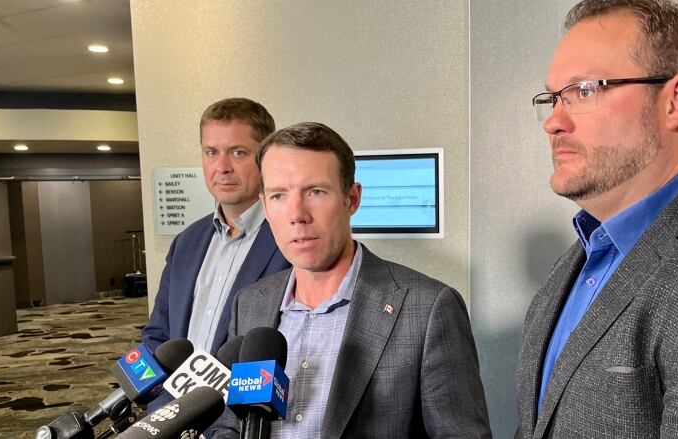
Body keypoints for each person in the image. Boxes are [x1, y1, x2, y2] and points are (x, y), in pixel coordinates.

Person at [516, 1, 678, 438]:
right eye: (553, 98)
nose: (552, 121)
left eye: (585, 90)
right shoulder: (578, 261)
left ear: (677, 100)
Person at [211, 122, 491, 438]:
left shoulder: (427, 308)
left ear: (352, 198)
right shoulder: (249, 303)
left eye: (315, 192)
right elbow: (228, 425)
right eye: (279, 195)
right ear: (264, 205)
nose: (297, 214)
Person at [141, 98, 290, 409]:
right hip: (175, 414)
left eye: (238, 153)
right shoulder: (187, 242)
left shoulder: (291, 242)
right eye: (212, 152)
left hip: (243, 419)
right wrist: (160, 408)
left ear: (264, 158)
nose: (222, 167)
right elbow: (159, 332)